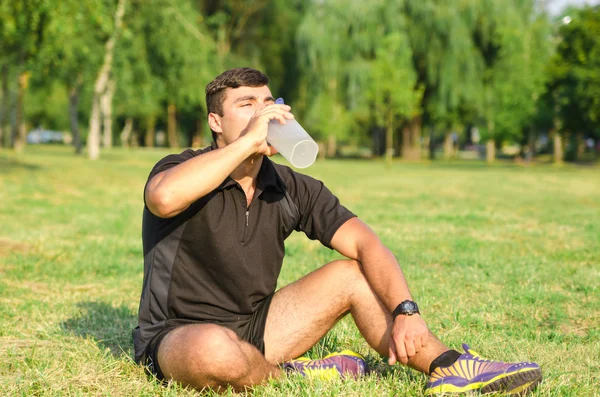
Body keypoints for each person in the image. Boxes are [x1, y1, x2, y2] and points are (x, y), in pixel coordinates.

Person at [133, 67, 542, 395]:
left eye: (268, 102)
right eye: (246, 104)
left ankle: (447, 366)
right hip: (177, 334)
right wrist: (248, 141)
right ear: (215, 121)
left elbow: (366, 243)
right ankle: (290, 377)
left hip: (257, 327)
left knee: (351, 273)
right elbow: (163, 199)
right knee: (214, 350)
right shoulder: (180, 167)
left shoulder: (291, 187)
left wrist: (406, 310)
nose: (265, 112)